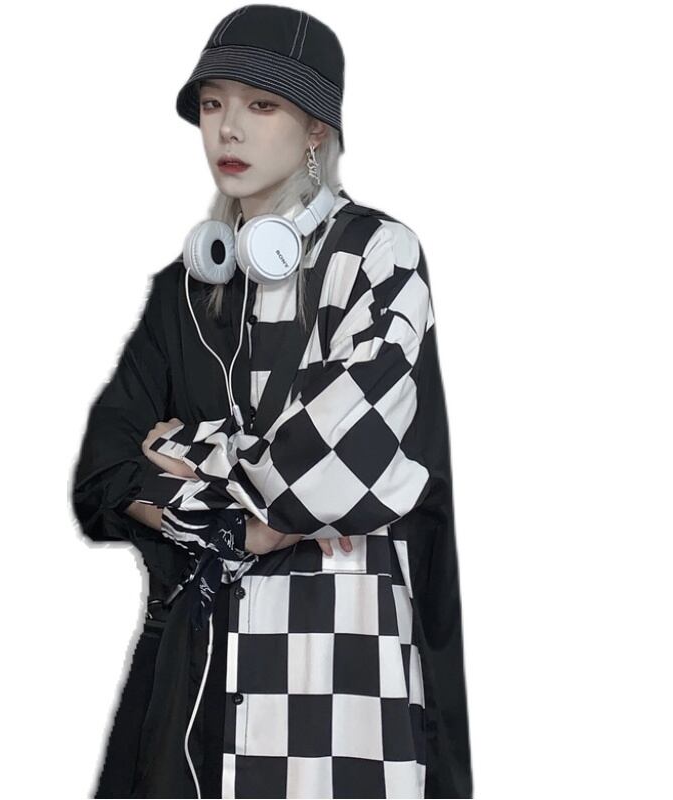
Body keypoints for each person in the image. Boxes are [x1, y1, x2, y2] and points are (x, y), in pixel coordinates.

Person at [71, 5, 473, 798]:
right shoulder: (183, 292)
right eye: (212, 103)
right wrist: (240, 525)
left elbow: (333, 468)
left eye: (261, 105)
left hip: (347, 667)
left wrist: (189, 447)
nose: (228, 128)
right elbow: (102, 476)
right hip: (198, 679)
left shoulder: (380, 255)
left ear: (317, 129)